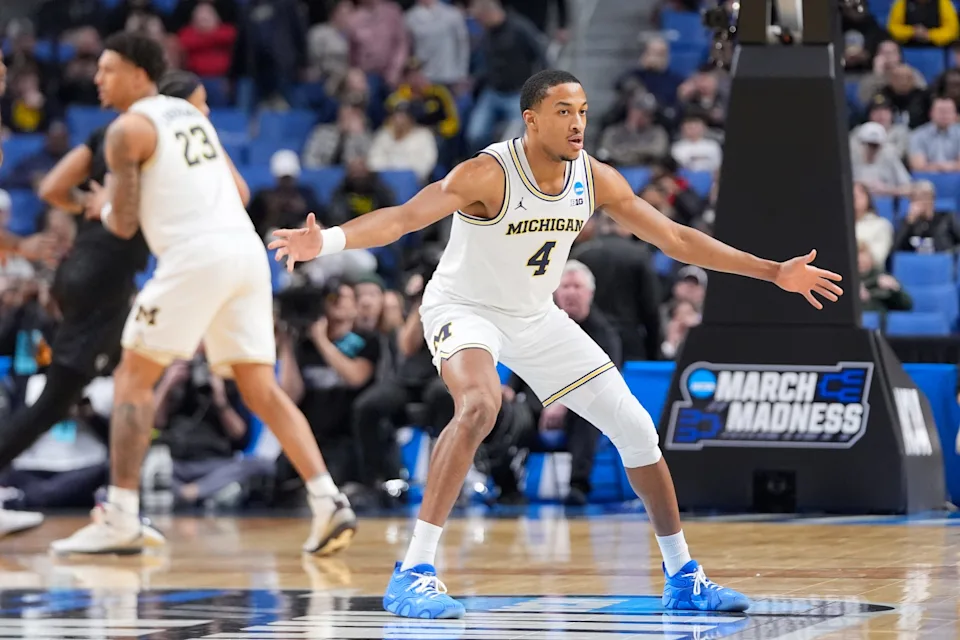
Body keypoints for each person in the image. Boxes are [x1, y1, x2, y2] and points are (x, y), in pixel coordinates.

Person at [270, 69, 844, 619]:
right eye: (564, 112)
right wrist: (329, 242)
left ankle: (683, 577)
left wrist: (773, 271)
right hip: (465, 309)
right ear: (531, 119)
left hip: (536, 316)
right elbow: (404, 218)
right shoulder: (488, 173)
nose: (577, 124)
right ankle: (414, 571)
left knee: (636, 428)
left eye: (584, 113)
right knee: (480, 405)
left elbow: (674, 238)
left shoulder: (594, 177)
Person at [51, 34, 357, 555]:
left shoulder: (127, 129)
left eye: (108, 69)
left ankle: (120, 516)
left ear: (140, 74)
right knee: (260, 388)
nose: (97, 78)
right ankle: (328, 499)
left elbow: (123, 224)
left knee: (132, 379)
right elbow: (239, 191)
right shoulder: (193, 117)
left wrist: (103, 205)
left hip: (196, 256)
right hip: (245, 254)